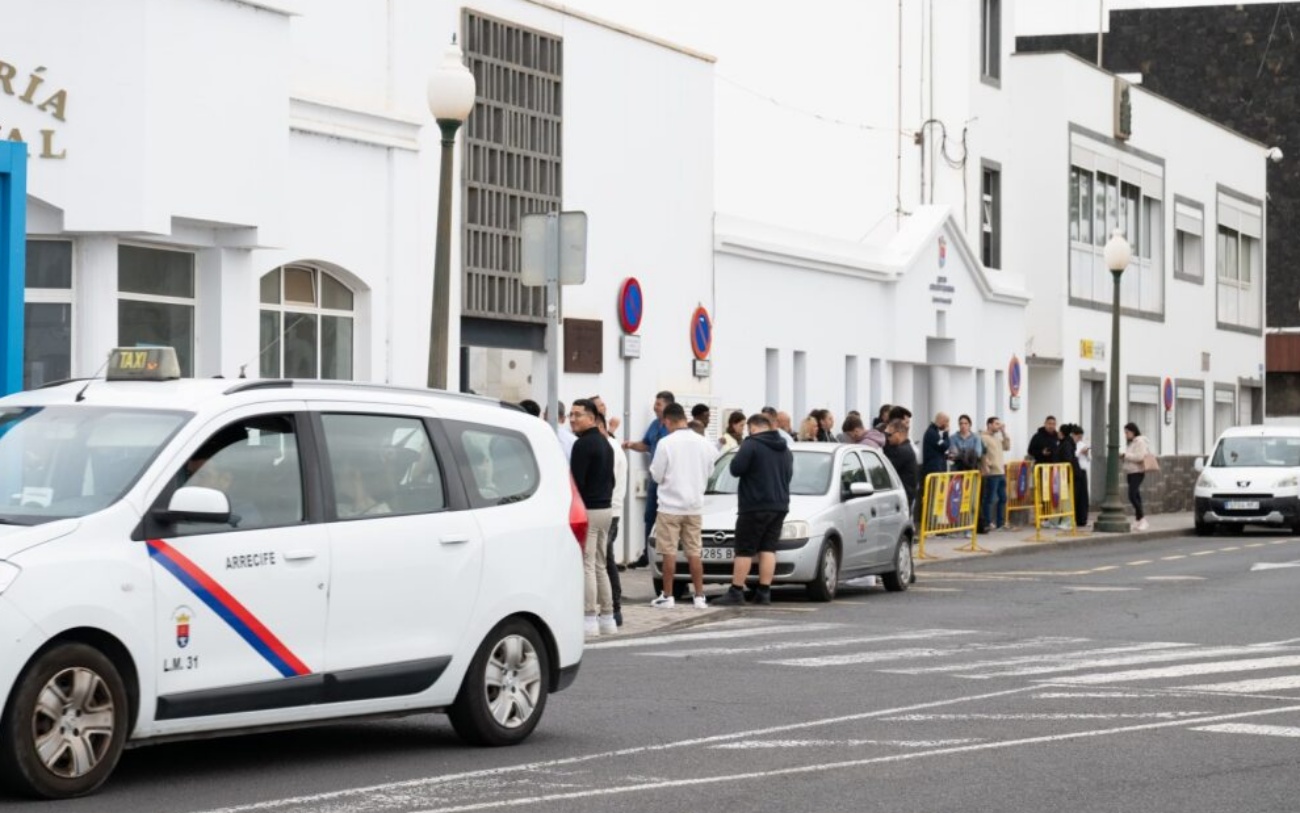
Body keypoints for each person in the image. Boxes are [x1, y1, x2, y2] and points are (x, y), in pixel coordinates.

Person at [712, 413, 793, 606]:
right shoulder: (785, 448)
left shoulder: (751, 444)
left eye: (749, 429)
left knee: (745, 550)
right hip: (779, 505)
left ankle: (736, 591)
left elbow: (736, 469)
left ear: (754, 428)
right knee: (768, 548)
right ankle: (764, 592)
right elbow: (788, 475)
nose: (749, 432)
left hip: (754, 505)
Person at [648, 402, 718, 609]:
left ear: (668, 420)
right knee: (694, 551)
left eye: (665, 423)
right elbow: (711, 471)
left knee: (668, 551)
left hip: (669, 506)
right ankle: (699, 596)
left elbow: (657, 474)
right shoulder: (704, 443)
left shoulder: (666, 443)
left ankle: (668, 595)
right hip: (694, 506)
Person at [569, 399, 616, 638]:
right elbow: (613, 480)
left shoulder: (582, 445)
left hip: (588, 509)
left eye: (578, 414)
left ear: (591, 417)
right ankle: (607, 617)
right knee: (600, 564)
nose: (573, 419)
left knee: (587, 565)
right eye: (571, 414)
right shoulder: (605, 443)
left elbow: (576, 482)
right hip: (605, 509)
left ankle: (589, 617)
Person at [622, 390, 674, 568]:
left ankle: (666, 554)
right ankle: (648, 552)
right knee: (650, 516)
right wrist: (630, 445)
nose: (655, 407)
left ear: (668, 406)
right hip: (654, 479)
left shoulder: (674, 428)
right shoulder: (654, 425)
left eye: (658, 404)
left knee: (669, 518)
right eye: (655, 403)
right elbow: (646, 445)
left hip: (671, 481)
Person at [596, 407, 626, 627]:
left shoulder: (609, 448)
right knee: (606, 559)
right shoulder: (612, 445)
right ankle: (613, 609)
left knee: (603, 561)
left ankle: (613, 609)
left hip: (608, 510)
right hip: (612, 510)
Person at [978, 416, 1011, 532]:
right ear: (989, 425)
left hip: (1001, 471)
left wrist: (1004, 433)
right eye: (996, 424)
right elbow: (981, 453)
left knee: (1003, 498)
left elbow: (1007, 447)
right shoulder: (983, 437)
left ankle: (1000, 523)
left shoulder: (996, 438)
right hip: (991, 473)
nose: (999, 426)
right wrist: (986, 464)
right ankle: (987, 522)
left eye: (999, 424)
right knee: (989, 499)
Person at [883, 419, 919, 514]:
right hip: (906, 495)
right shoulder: (905, 447)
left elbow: (887, 469)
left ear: (898, 434)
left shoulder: (902, 451)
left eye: (889, 435)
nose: (887, 438)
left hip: (904, 498)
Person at [1059, 423, 1089, 529]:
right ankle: (1070, 519)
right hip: (1074, 473)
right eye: (1078, 437)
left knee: (1080, 497)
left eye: (1081, 437)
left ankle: (1080, 519)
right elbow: (1070, 458)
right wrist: (1079, 453)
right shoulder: (1069, 444)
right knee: (1072, 497)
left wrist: (1085, 454)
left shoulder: (1074, 443)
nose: (1079, 439)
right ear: (1073, 435)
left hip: (1080, 472)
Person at [1122, 422, 1151, 531]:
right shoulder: (1132, 442)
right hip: (1131, 471)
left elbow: (1140, 457)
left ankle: (1143, 519)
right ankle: (1138, 519)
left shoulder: (1140, 441)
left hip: (1137, 472)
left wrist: (1126, 455)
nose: (1126, 435)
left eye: (1127, 432)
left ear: (1133, 431)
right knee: (1136, 496)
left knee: (1132, 495)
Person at [1054, 424, 1082, 529]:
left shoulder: (1066, 444)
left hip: (1066, 474)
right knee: (1060, 498)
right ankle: (1057, 520)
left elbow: (1068, 459)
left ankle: (1067, 521)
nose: (1058, 433)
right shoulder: (1065, 443)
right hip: (1063, 474)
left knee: (1066, 498)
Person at [921, 412, 951, 481]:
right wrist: (946, 434)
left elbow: (939, 448)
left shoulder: (934, 432)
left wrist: (946, 456)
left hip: (937, 469)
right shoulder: (932, 433)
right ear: (942, 421)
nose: (948, 425)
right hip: (934, 470)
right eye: (947, 422)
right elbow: (944, 446)